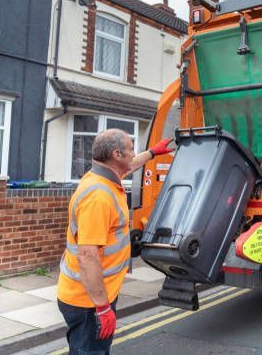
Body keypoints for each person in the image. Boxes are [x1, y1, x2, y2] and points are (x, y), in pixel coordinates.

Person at [56, 129, 174, 354]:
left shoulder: (103, 177)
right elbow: (87, 255)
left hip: (92, 296)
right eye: (131, 149)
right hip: (88, 303)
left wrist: (153, 152)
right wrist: (102, 308)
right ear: (117, 154)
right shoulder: (98, 196)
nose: (133, 154)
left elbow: (131, 165)